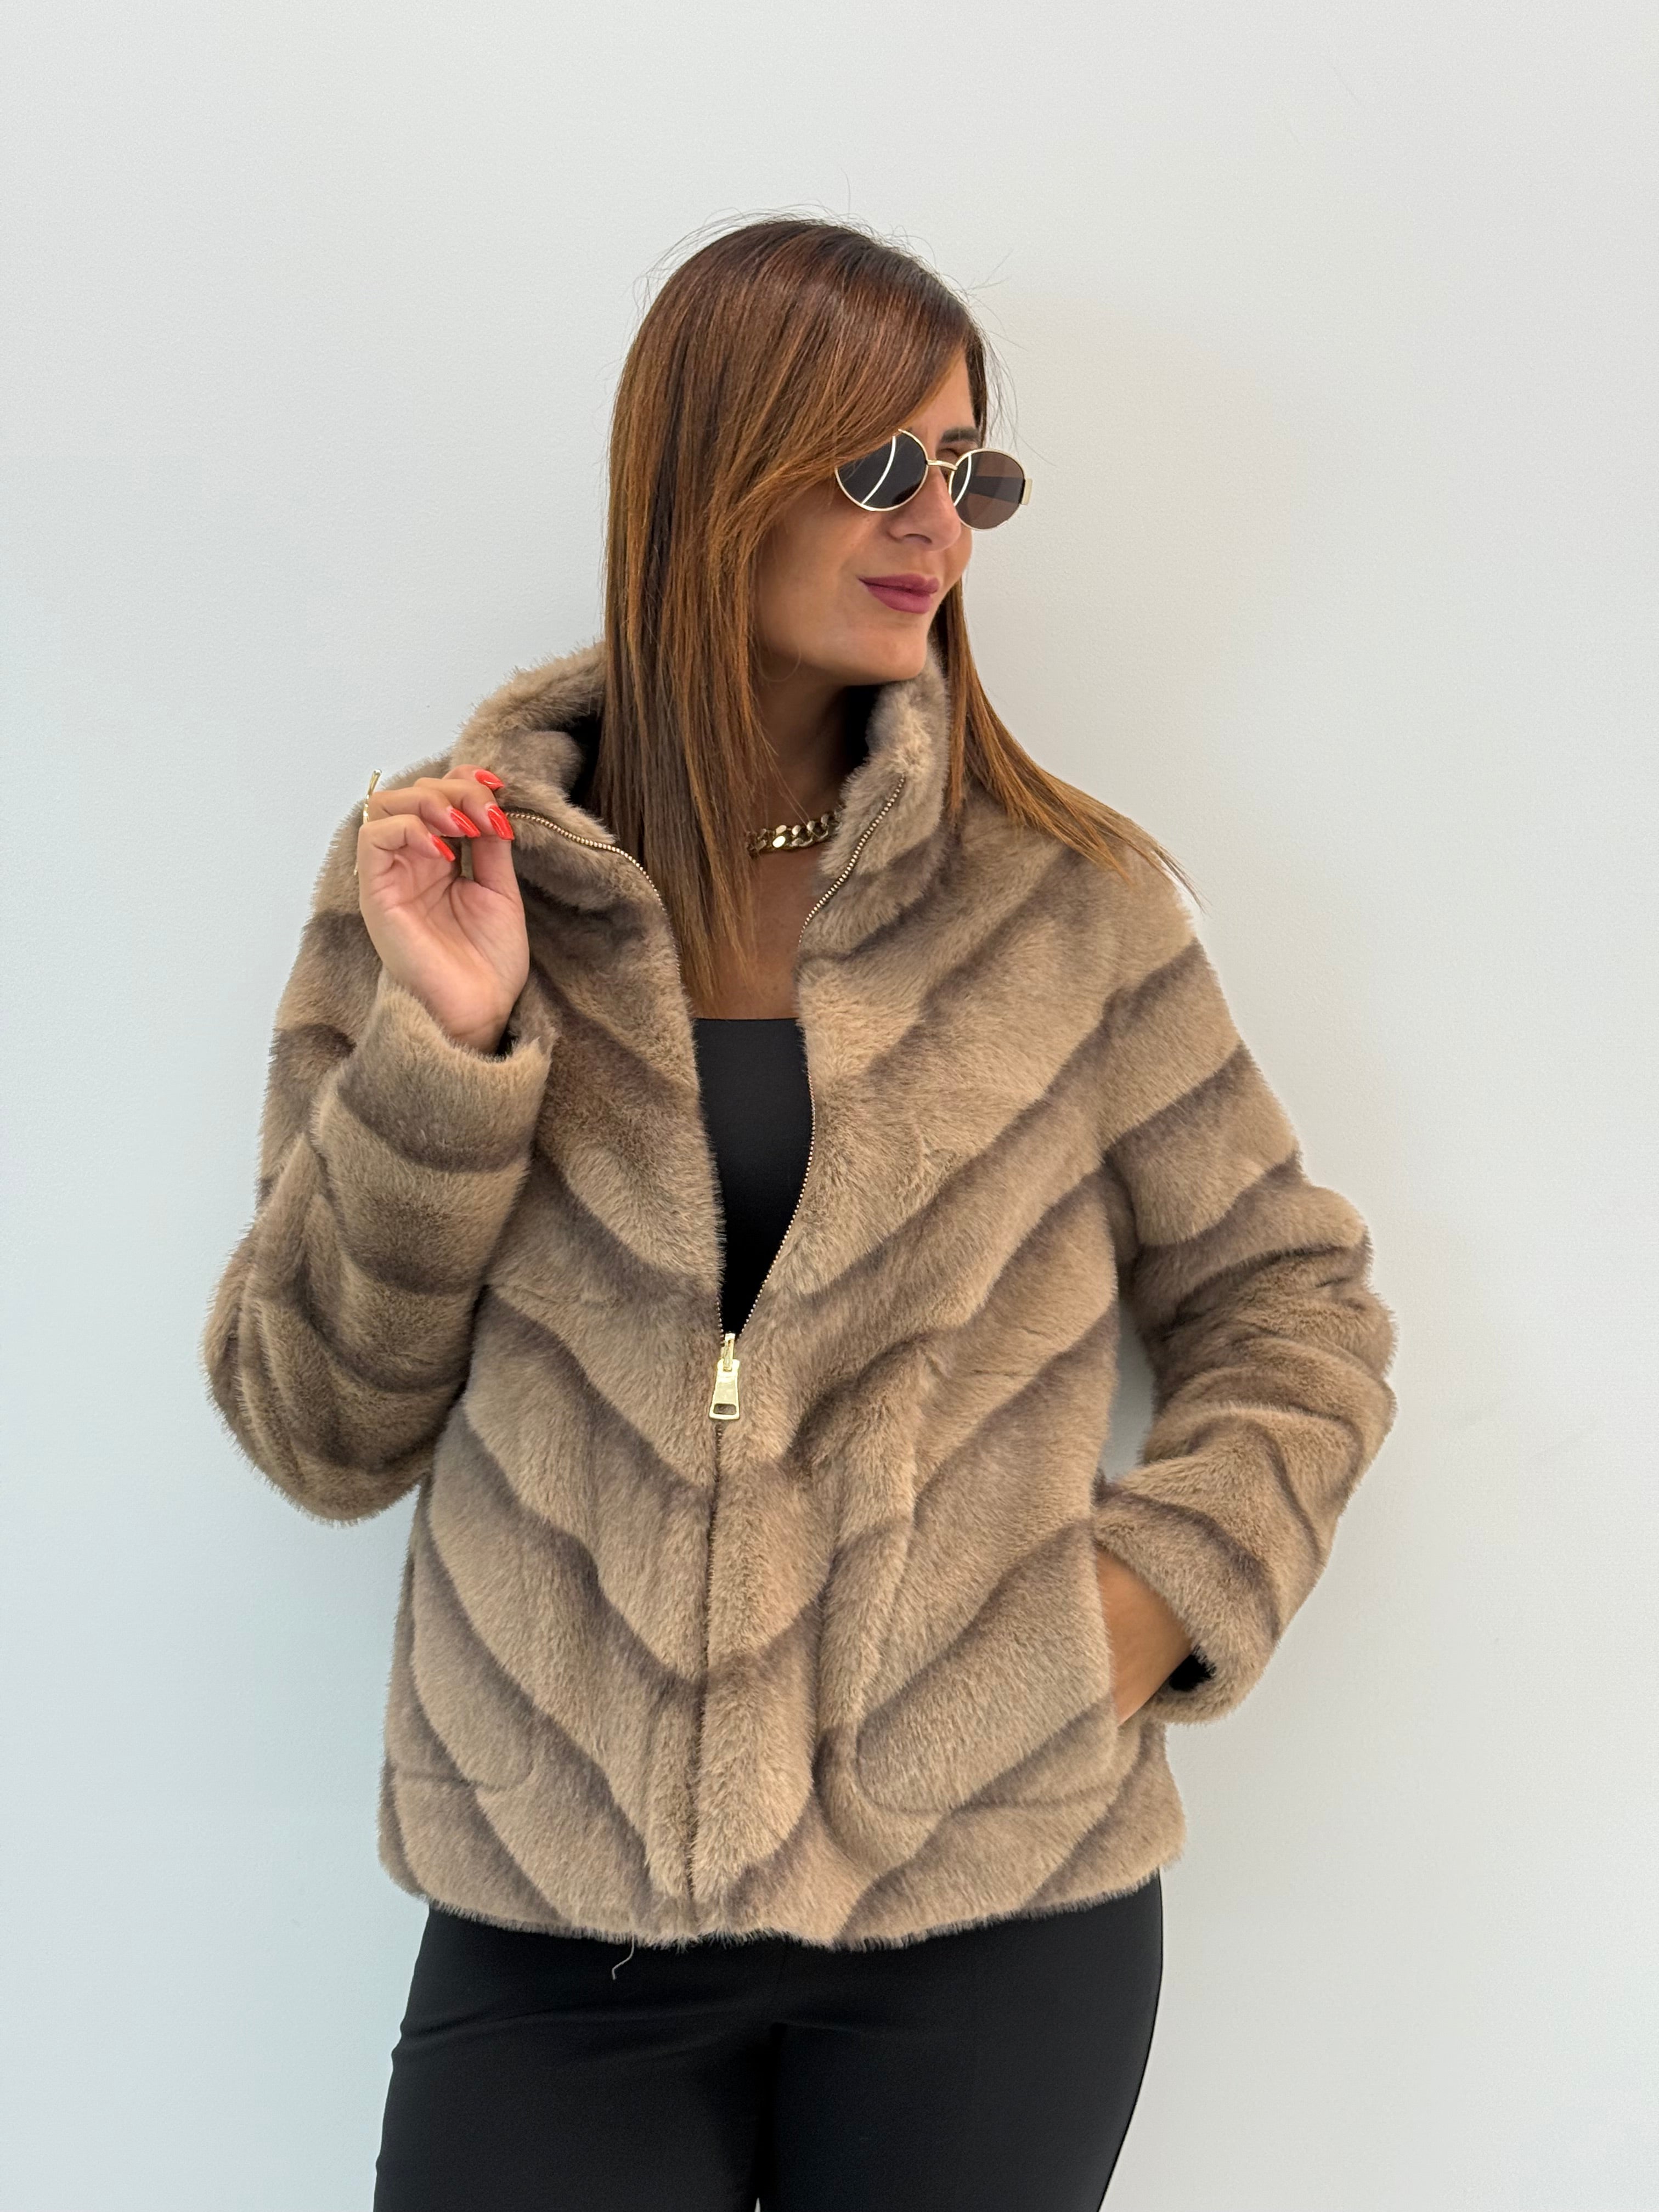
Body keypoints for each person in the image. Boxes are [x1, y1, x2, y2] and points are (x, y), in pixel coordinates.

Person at [201, 215, 1399, 2211]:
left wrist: (1130, 1618)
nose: (936, 522)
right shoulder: (445, 878)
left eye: (971, 472)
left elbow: (1299, 1310)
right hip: (555, 1914)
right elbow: (318, 1428)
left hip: (988, 1916)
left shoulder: (1067, 911)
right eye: (879, 464)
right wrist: (453, 1049)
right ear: (711, 466)